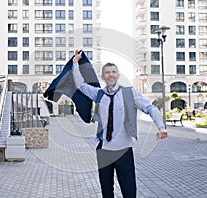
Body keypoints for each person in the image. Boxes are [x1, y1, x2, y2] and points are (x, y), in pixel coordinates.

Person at [72, 50, 167, 198]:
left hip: (123, 150)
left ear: (118, 75)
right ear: (103, 77)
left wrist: (161, 126)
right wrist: (75, 63)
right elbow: (79, 84)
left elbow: (150, 108)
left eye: (113, 72)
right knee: (106, 192)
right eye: (107, 72)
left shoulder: (129, 93)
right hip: (103, 150)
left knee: (129, 192)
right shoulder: (98, 94)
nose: (110, 75)